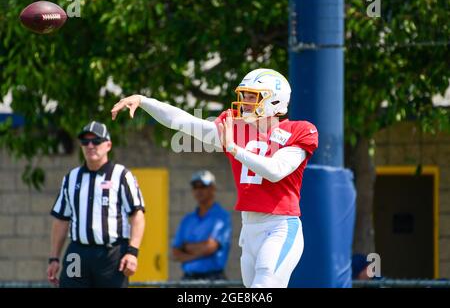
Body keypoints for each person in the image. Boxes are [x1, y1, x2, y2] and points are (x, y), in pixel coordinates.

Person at [111, 68, 318, 288]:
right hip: (249, 229)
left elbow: (275, 170)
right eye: (244, 95)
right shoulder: (236, 129)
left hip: (279, 227)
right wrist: (144, 101)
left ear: (275, 100)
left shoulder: (299, 130)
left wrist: (233, 148)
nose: (245, 102)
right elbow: (183, 122)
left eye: (252, 96)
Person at [47, 121, 146, 288]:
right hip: (77, 253)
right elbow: (61, 219)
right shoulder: (71, 178)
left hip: (111, 254)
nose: (90, 145)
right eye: (85, 142)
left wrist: (133, 252)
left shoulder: (121, 176)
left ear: (108, 145)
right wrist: (54, 258)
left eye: (96, 141)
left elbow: (137, 216)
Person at [172, 170, 232, 281]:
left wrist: (187, 247)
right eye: (195, 187)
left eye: (203, 186)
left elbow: (210, 247)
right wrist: (201, 251)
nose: (199, 191)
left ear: (213, 188)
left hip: (213, 280)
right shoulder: (187, 220)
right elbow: (175, 252)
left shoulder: (222, 216)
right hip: (188, 279)